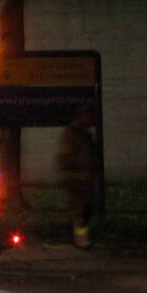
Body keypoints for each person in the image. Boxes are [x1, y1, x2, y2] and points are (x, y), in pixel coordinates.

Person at [56, 106, 98, 249]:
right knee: (79, 210)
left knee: (87, 209)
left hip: (86, 178)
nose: (90, 120)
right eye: (87, 116)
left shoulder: (85, 134)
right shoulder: (71, 133)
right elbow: (65, 155)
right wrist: (67, 172)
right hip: (75, 178)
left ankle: (79, 236)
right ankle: (81, 240)